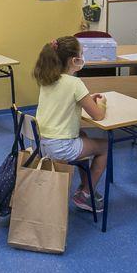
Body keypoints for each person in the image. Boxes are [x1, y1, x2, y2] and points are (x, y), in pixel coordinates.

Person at [33, 36, 108, 212]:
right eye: (82, 54)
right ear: (75, 60)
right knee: (105, 146)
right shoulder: (75, 83)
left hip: (42, 144)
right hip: (60, 147)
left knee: (83, 135)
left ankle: (84, 186)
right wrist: (101, 103)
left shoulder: (48, 79)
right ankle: (86, 194)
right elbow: (98, 115)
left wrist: (88, 99)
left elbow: (64, 102)